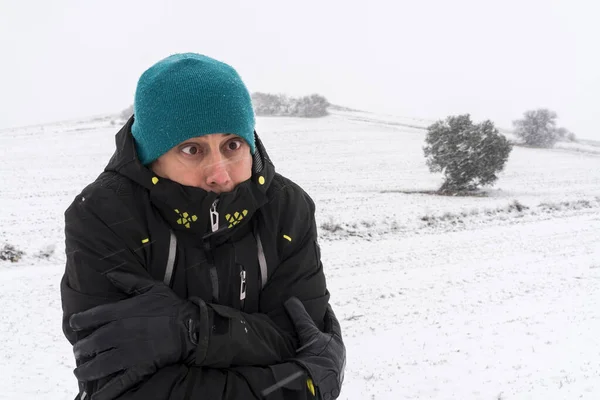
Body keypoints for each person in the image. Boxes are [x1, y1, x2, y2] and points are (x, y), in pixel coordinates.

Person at [60, 53, 345, 400]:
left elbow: (299, 335)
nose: (220, 174)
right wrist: (298, 387)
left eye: (232, 144)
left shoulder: (287, 208)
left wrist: (193, 331)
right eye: (192, 149)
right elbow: (119, 387)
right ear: (152, 157)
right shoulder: (104, 215)